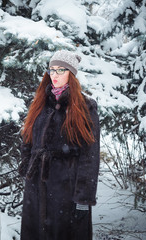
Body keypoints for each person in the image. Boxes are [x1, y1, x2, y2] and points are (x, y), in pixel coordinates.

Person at [18, 50, 100, 240]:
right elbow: (28, 138)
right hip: (36, 187)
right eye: (51, 70)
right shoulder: (40, 103)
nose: (54, 75)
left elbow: (90, 156)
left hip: (66, 188)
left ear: (71, 74)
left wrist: (83, 199)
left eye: (60, 70)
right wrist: (27, 166)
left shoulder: (85, 107)